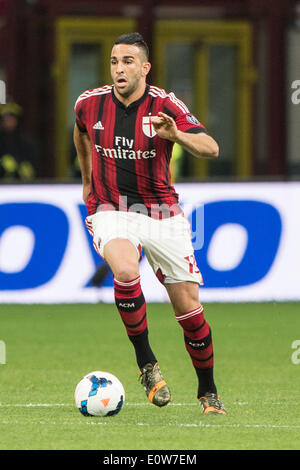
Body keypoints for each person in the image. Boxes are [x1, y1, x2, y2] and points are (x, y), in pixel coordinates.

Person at [73, 32, 226, 415]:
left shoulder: (165, 105)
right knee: (125, 269)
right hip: (112, 208)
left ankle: (208, 392)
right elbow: (80, 135)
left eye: (127, 62)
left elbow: (211, 148)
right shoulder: (89, 104)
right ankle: (147, 365)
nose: (119, 69)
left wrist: (176, 134)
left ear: (144, 68)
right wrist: (87, 182)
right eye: (113, 61)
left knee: (189, 312)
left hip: (162, 213)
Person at [0, 102, 40, 180]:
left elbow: (36, 166)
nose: (8, 123)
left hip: (22, 187)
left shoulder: (27, 143)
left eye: (11, 119)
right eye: (5, 120)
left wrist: (22, 167)